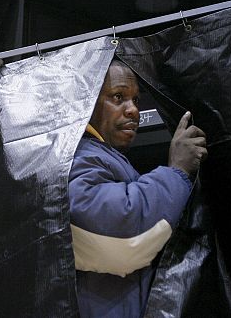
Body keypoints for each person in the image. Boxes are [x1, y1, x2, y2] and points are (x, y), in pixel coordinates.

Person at [68, 59, 208, 317]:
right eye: (118, 97)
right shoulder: (81, 157)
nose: (132, 109)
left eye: (135, 100)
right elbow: (119, 232)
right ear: (87, 102)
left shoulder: (107, 157)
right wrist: (176, 172)